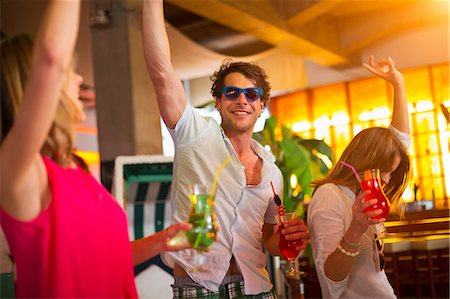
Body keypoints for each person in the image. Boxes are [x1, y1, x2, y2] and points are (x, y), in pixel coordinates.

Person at [0, 1, 192, 297]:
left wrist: (162, 240)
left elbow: (107, 258)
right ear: (32, 87)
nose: (78, 79)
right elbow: (51, 57)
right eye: (69, 71)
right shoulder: (18, 173)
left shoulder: (76, 170)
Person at [142, 0, 309, 298]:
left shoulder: (273, 172)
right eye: (231, 93)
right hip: (198, 287)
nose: (241, 100)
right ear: (218, 103)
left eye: (251, 94)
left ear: (261, 106)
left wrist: (287, 240)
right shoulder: (194, 134)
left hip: (257, 288)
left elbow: (268, 239)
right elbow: (162, 72)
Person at [307, 55, 411, 299]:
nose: (386, 180)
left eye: (391, 173)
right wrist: (355, 229)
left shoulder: (361, 195)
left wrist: (399, 84)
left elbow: (400, 143)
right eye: (383, 171)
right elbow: (331, 282)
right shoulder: (328, 197)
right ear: (365, 162)